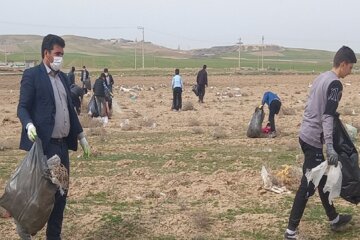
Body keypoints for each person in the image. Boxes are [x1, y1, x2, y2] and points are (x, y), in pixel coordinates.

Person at [17, 34, 91, 240]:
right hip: (44, 146)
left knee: (61, 196)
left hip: (62, 147)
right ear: (46, 54)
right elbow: (22, 107)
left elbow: (69, 109)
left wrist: (81, 136)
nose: (60, 58)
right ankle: (24, 227)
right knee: (41, 195)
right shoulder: (33, 75)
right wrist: (28, 124)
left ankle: (53, 237)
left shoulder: (64, 79)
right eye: (57, 54)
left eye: (62, 54)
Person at [284, 46, 357, 239]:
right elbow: (326, 115)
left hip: (305, 134)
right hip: (314, 139)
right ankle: (290, 232)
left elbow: (314, 106)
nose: (351, 72)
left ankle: (334, 219)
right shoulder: (335, 85)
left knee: (321, 178)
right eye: (351, 67)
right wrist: (330, 146)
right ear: (343, 64)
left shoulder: (321, 77)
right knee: (307, 184)